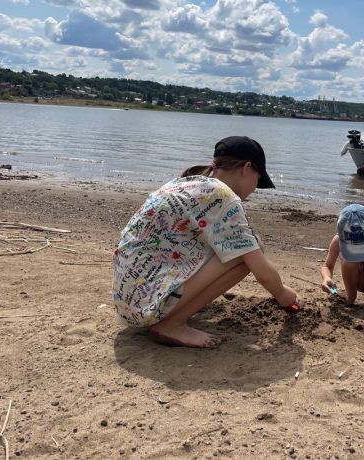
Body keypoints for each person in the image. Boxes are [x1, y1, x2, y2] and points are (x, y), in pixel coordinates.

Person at [113, 136, 298, 348]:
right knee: (247, 250)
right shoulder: (223, 197)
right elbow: (262, 272)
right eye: (258, 180)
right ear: (247, 168)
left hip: (127, 300)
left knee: (236, 245)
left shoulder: (185, 183)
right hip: (145, 304)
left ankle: (172, 313)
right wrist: (283, 294)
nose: (255, 189)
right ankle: (172, 324)